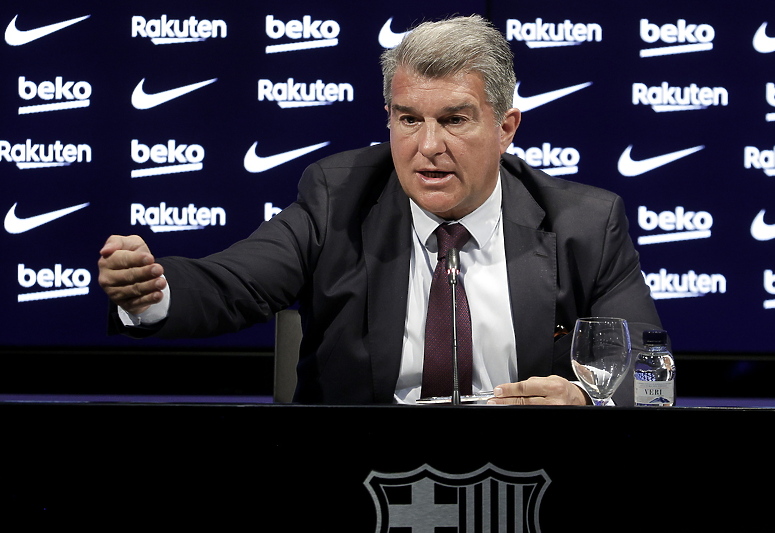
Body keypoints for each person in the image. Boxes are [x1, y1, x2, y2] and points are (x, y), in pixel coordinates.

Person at [98, 15, 662, 405]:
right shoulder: (337, 197)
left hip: (526, 483)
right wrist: (155, 292)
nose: (428, 146)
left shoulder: (585, 224)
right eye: (409, 119)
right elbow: (236, 282)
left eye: (455, 120)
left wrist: (591, 400)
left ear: (506, 128)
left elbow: (651, 378)